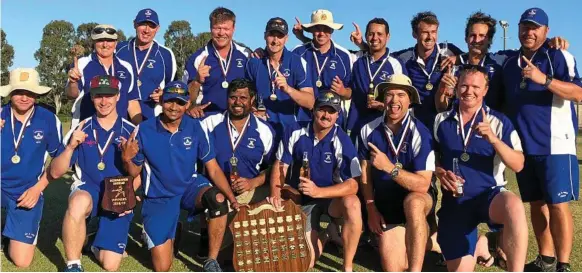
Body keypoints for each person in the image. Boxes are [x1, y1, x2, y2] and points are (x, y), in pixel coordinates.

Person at [121, 80, 241, 272]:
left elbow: (213, 168)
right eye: (169, 101)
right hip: (159, 196)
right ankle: (173, 228)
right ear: (161, 101)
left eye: (179, 102)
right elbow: (134, 172)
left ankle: (211, 261)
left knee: (217, 199)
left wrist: (232, 199)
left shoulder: (196, 127)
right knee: (162, 267)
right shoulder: (144, 129)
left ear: (187, 104)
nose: (174, 107)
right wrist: (127, 159)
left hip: (190, 188)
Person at [501, 8, 582, 272]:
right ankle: (545, 258)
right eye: (525, 26)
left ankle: (563, 264)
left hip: (556, 145)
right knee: (536, 204)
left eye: (535, 27)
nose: (529, 31)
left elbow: (578, 93)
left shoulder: (558, 55)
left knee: (558, 205)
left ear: (546, 31)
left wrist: (544, 79)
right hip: (525, 148)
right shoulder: (509, 63)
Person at [433, 65, 528, 271]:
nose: (469, 91)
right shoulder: (441, 121)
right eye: (464, 85)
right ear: (457, 87)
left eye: (476, 86)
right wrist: (439, 172)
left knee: (514, 206)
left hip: (489, 196)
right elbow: (434, 158)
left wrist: (493, 139)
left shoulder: (499, 122)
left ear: (485, 90)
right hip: (456, 202)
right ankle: (482, 243)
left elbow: (518, 164)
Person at [50, 75, 138, 272]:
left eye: (109, 95)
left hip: (117, 197)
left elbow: (139, 174)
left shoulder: (132, 131)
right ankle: (73, 265)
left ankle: (92, 241)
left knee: (110, 265)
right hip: (88, 190)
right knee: (78, 201)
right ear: (92, 98)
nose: (104, 101)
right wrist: (71, 147)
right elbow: (55, 172)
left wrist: (127, 199)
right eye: (98, 96)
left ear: (117, 97)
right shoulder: (80, 128)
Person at [268, 91, 362, 272]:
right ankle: (327, 234)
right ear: (313, 110)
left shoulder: (342, 139)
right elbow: (281, 165)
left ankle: (347, 266)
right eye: (322, 110)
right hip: (302, 199)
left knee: (353, 203)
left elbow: (353, 184)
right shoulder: (294, 130)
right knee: (307, 261)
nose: (326, 115)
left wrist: (319, 191)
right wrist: (275, 193)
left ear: (338, 115)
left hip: (330, 200)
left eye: (331, 111)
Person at [357, 74, 435, 271]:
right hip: (386, 205)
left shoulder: (421, 132)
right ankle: (432, 242)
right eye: (389, 94)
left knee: (414, 202)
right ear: (382, 99)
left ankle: (416, 269)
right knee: (394, 267)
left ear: (410, 100)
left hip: (416, 201)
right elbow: (365, 174)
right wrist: (371, 209)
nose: (394, 100)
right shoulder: (368, 129)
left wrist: (389, 167)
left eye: (401, 94)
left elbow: (423, 185)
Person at [198, 78, 275, 258]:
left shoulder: (264, 130)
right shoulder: (209, 123)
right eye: (233, 97)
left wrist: (252, 182)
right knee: (225, 253)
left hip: (249, 191)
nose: (238, 102)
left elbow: (274, 168)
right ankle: (206, 235)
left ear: (252, 100)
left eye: (243, 97)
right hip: (216, 190)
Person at [0, 68, 62, 268]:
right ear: (10, 92)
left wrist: (38, 189)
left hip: (27, 190)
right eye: (19, 92)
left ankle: (11, 232)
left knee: (22, 261)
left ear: (37, 94)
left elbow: (60, 160)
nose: (24, 97)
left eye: (30, 92)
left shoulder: (48, 119)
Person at [245, 17, 314, 137]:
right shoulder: (254, 62)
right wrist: (252, 108)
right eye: (272, 34)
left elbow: (310, 102)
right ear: (265, 36)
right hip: (261, 131)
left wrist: (288, 89)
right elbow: (245, 95)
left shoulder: (297, 62)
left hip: (292, 132)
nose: (275, 40)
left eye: (280, 36)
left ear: (286, 39)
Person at [66, 24, 142, 128]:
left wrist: (140, 129)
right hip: (87, 131)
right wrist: (72, 82)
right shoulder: (81, 64)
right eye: (100, 40)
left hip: (119, 132)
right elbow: (72, 95)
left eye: (109, 40)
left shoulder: (126, 67)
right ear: (94, 42)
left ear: (116, 43)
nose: (105, 44)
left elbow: (132, 102)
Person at [185, 7, 252, 118]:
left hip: (239, 120)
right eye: (217, 28)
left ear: (233, 28)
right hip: (207, 120)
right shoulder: (197, 58)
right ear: (210, 28)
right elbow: (185, 98)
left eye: (226, 28)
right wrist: (197, 81)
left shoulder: (246, 55)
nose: (221, 33)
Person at [347, 18, 407, 140]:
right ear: (366, 36)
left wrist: (384, 105)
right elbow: (326, 47)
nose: (375, 38)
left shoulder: (395, 64)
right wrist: (303, 36)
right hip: (356, 125)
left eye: (379, 34)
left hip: (384, 128)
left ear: (387, 37)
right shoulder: (355, 59)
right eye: (371, 34)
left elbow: (405, 100)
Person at [292, 9, 354, 125]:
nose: (321, 33)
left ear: (332, 30)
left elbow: (351, 92)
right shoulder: (298, 52)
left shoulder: (343, 55)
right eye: (317, 29)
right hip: (302, 118)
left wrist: (343, 91)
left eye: (326, 29)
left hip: (331, 121)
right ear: (311, 30)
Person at [435, 12, 504, 112]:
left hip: (489, 125)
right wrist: (442, 88)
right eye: (472, 35)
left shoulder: (499, 63)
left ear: (489, 40)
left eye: (482, 36)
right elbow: (441, 108)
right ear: (466, 38)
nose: (476, 40)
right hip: (460, 125)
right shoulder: (454, 68)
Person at [116, 8, 177, 120]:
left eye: (152, 26)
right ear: (134, 24)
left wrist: (164, 95)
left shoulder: (166, 54)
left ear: (157, 29)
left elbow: (174, 88)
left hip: (152, 119)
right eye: (143, 24)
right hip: (119, 118)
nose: (147, 30)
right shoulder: (119, 49)